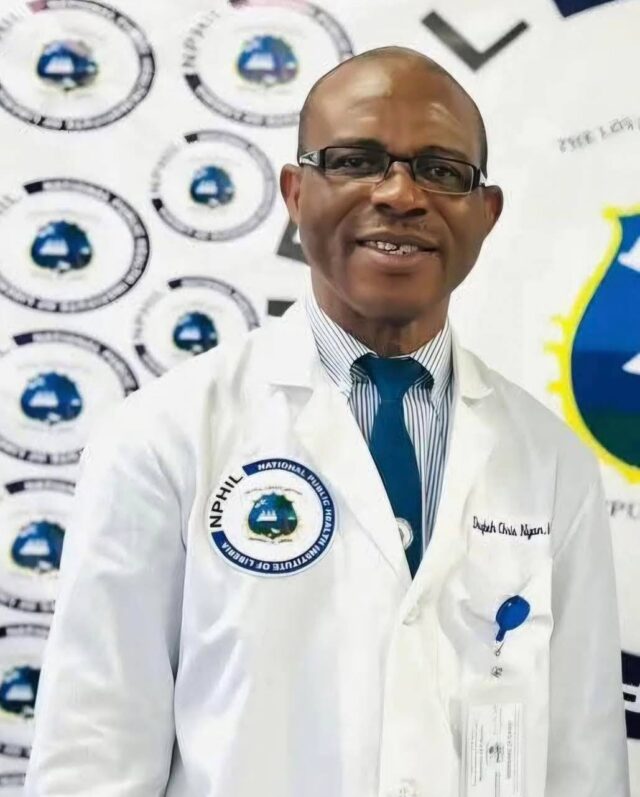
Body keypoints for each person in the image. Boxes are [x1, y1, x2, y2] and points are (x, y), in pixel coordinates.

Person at [25, 46, 629, 797]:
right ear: (295, 192)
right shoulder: (165, 435)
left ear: (486, 212)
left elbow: (582, 758)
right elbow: (92, 754)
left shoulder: (549, 459)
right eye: (355, 161)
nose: (401, 194)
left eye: (442, 170)